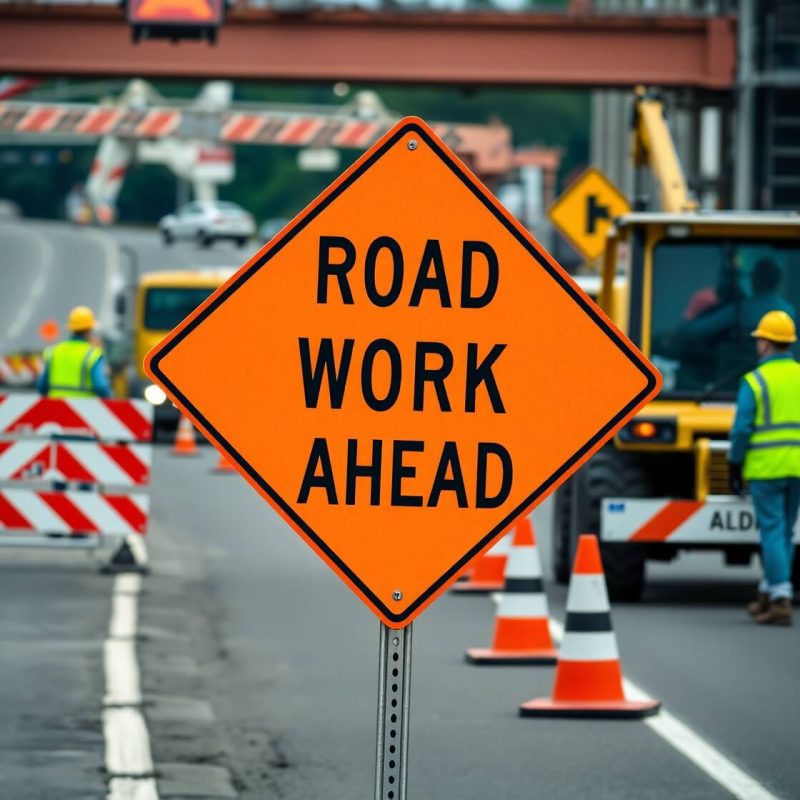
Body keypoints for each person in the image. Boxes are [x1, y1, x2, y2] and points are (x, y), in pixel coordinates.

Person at [728, 310, 800, 626]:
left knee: (771, 530)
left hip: (766, 469)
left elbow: (742, 429)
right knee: (784, 531)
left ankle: (781, 598)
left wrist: (734, 463)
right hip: (797, 468)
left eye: (759, 340)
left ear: (767, 344)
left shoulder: (755, 381)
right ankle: (768, 592)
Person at [37, 306, 112, 398]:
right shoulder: (93, 355)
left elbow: (42, 386)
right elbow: (101, 386)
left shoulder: (53, 352)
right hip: (84, 409)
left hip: (55, 409)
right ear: (89, 331)